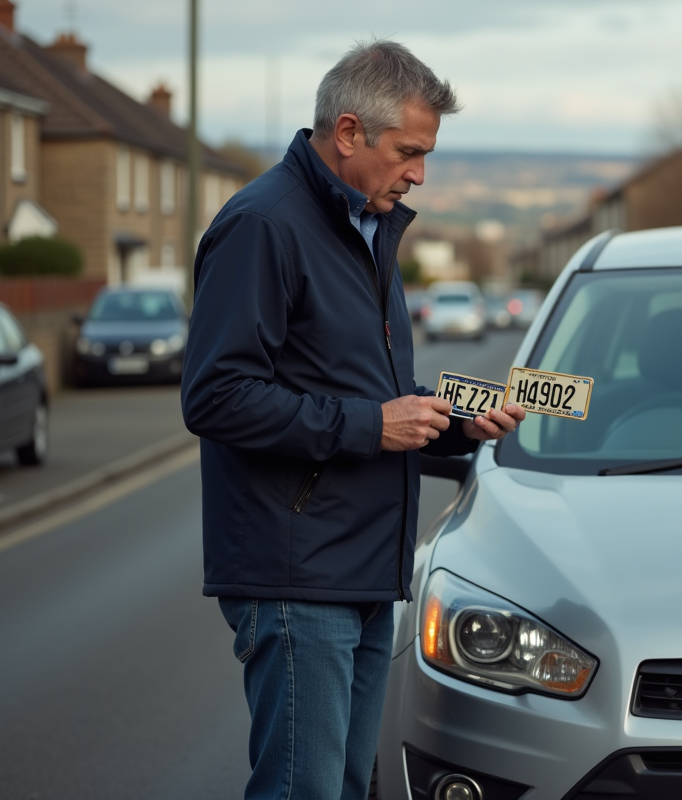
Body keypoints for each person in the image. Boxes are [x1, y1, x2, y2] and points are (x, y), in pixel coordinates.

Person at [180, 40, 525, 800]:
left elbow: (370, 390)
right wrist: (374, 426)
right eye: (408, 152)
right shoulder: (263, 225)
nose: (419, 174)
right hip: (298, 574)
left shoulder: (368, 226)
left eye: (426, 154)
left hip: (366, 570)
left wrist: (462, 424)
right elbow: (215, 396)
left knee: (342, 788)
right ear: (347, 132)